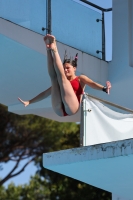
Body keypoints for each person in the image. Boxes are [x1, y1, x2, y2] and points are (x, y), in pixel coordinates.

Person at [18, 34, 111, 117]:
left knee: (61, 77)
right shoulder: (61, 81)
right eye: (64, 68)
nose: (65, 70)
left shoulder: (80, 78)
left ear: (74, 68)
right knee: (54, 78)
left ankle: (54, 49)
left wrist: (103, 89)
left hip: (72, 108)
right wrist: (29, 102)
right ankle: (48, 50)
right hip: (59, 110)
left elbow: (92, 83)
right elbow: (45, 94)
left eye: (68, 68)